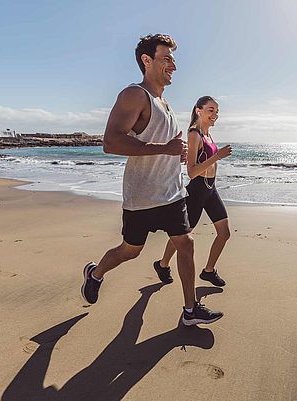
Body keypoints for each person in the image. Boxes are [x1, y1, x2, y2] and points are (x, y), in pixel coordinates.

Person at [81, 34, 223, 326]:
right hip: (142, 196)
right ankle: (95, 273)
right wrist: (166, 149)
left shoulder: (166, 104)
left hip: (171, 192)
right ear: (147, 60)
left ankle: (190, 310)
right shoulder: (134, 95)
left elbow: (163, 146)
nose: (173, 65)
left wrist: (178, 154)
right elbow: (111, 142)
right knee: (130, 251)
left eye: (173, 59)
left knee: (186, 243)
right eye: (167, 58)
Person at [154, 96, 232, 287]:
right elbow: (192, 171)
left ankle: (208, 271)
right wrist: (217, 156)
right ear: (199, 110)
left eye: (217, 111)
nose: (215, 114)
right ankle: (163, 265)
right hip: (197, 190)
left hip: (210, 188)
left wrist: (215, 160)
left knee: (224, 233)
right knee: (182, 236)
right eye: (211, 110)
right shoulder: (194, 134)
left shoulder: (207, 133)